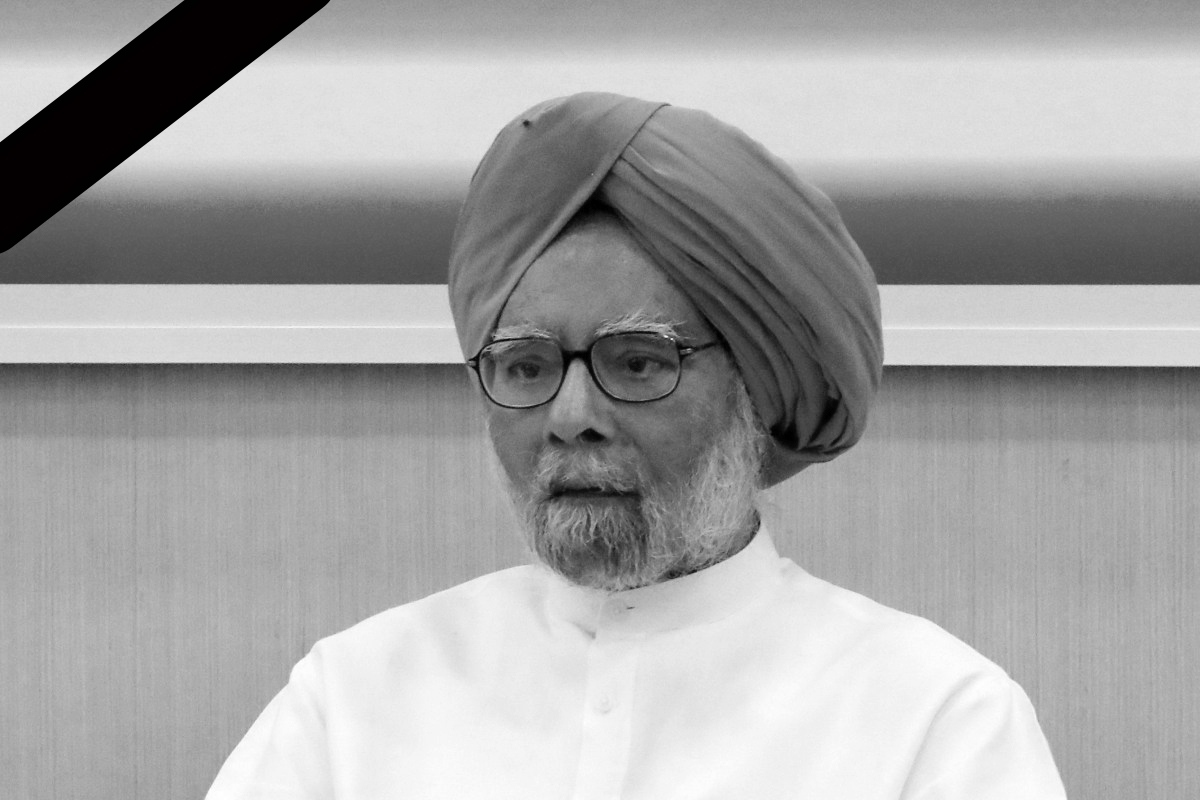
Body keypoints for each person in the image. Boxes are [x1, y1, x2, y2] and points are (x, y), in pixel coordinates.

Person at [206, 92, 1067, 799]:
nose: (571, 414)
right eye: (527, 366)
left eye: (639, 361)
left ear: (755, 390)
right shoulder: (354, 698)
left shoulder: (934, 719)